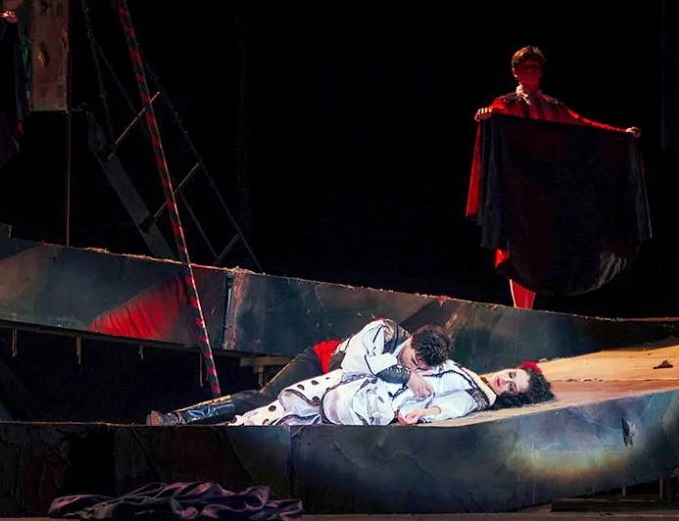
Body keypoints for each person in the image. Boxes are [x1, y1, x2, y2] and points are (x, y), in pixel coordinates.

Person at [471, 45, 641, 310]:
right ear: (515, 71)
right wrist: (485, 115)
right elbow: (492, 121)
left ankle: (527, 313)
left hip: (545, 191)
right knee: (518, 250)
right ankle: (522, 312)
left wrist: (621, 134)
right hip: (519, 191)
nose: (532, 71)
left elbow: (584, 125)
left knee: (539, 252)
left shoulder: (553, 106)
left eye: (536, 67)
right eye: (526, 67)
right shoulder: (505, 105)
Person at [146, 318, 453, 426]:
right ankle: (179, 418)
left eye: (419, 367)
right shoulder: (384, 331)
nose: (412, 366)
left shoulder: (420, 367)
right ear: (413, 339)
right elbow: (355, 365)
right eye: (413, 359)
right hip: (319, 364)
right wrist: (406, 376)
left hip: (333, 397)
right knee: (264, 399)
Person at [227, 359, 554, 426]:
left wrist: (425, 412)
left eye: (512, 386)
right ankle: (236, 426)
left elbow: (454, 405)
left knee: (295, 410)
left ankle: (236, 430)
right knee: (290, 402)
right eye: (511, 375)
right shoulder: (473, 376)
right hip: (370, 383)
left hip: (376, 399)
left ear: (511, 395)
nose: (505, 381)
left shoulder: (479, 395)